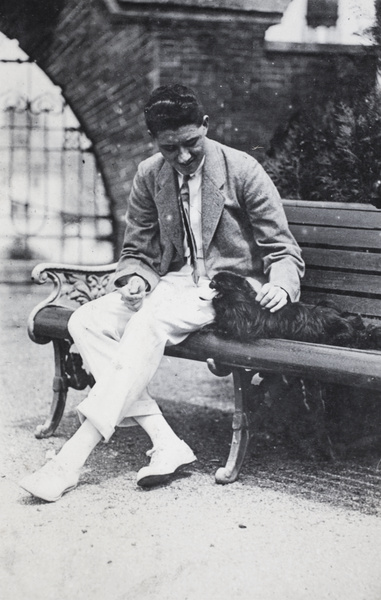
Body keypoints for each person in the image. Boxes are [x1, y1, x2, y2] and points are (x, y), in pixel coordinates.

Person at [20, 84, 304, 502]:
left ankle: (69, 461)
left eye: (192, 143)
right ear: (155, 141)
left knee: (147, 324)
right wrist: (135, 279)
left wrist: (280, 283)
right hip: (174, 286)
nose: (184, 157)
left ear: (205, 126)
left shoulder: (241, 169)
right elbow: (137, 251)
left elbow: (282, 249)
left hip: (229, 291)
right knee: (86, 320)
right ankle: (166, 442)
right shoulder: (150, 174)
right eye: (172, 149)